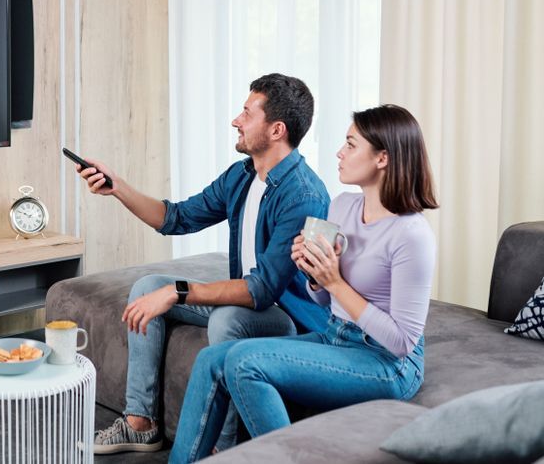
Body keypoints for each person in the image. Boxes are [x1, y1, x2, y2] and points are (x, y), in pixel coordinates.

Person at [75, 74, 331, 455]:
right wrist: (118, 187)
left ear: (276, 130)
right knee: (148, 286)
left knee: (226, 320)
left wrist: (177, 293)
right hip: (247, 297)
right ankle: (140, 423)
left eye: (247, 112)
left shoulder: (303, 195)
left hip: (286, 316)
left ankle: (221, 450)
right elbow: (175, 218)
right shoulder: (243, 176)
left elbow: (261, 292)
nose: (236, 120)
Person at [169, 104, 438, 463]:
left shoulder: (412, 235)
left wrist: (336, 281)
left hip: (386, 362)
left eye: (351, 145)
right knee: (212, 359)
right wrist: (313, 273)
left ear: (382, 158)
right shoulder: (342, 206)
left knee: (246, 364)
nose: (339, 153)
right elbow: (325, 301)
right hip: (335, 335)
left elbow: (403, 342)